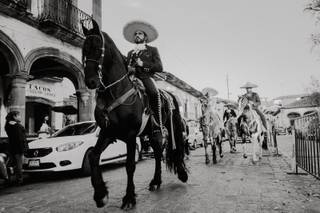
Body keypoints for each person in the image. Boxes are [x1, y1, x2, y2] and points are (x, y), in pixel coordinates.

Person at [123, 20, 163, 126]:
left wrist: (143, 64)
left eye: (140, 33)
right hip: (131, 78)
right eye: (135, 34)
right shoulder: (130, 53)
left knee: (153, 92)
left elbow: (159, 67)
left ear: (145, 37)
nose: (137, 35)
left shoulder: (153, 50)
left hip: (146, 77)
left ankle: (156, 120)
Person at [4, 111, 27, 185]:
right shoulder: (18, 126)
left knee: (11, 163)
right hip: (18, 147)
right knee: (19, 164)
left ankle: (8, 179)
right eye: (19, 115)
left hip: (11, 147)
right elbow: (20, 139)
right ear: (14, 116)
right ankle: (19, 180)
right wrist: (23, 149)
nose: (20, 117)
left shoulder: (7, 125)